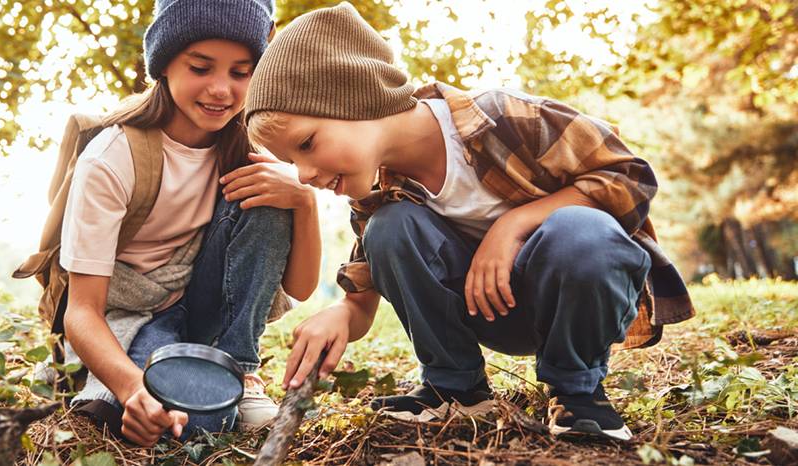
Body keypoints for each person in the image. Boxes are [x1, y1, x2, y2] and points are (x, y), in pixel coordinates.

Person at [243, 2, 693, 441]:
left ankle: (578, 393)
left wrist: (512, 225)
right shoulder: (378, 195)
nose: (302, 175)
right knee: (391, 226)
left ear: (356, 99)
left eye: (306, 144)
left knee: (583, 231)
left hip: (575, 297)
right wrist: (340, 315)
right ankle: (456, 387)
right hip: (489, 313)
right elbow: (363, 298)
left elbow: (629, 177)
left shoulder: (505, 118)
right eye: (288, 160)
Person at [58, 0, 321, 446]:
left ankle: (239, 369)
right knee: (181, 423)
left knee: (272, 193)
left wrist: (304, 201)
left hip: (201, 301)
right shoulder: (111, 158)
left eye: (241, 72)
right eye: (201, 67)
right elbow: (81, 310)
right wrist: (131, 387)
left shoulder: (251, 147)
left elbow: (299, 288)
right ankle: (138, 378)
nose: (221, 89)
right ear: (163, 65)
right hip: (134, 312)